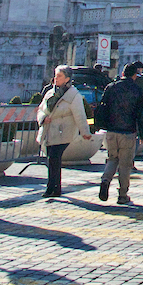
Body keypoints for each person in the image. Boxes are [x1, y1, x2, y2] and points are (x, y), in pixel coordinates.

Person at [96, 62, 143, 206]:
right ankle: (122, 195)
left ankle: (105, 180)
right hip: (128, 132)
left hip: (112, 130)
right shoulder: (137, 90)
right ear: (135, 75)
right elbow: (141, 114)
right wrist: (142, 134)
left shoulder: (111, 87)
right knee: (125, 164)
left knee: (112, 159)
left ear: (122, 73)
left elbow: (103, 107)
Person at [37, 65, 92, 199]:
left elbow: (80, 114)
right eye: (55, 75)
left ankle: (52, 188)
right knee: (51, 159)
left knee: (54, 158)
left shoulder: (73, 95)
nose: (56, 78)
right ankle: (55, 188)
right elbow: (41, 109)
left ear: (67, 79)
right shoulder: (50, 92)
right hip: (49, 130)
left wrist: (85, 132)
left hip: (63, 131)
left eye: (59, 76)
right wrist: (43, 118)